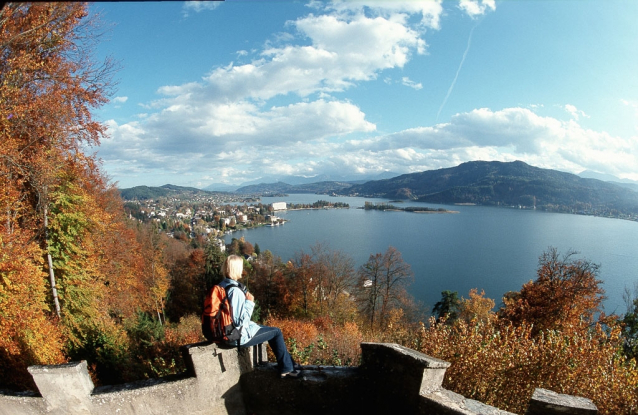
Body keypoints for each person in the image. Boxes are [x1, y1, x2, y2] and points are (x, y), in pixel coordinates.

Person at [218, 254, 301, 379]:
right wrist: (250, 302)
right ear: (236, 269)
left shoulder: (222, 285)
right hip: (237, 337)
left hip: (225, 333)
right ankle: (287, 369)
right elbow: (239, 322)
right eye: (240, 267)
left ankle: (290, 364)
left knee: (266, 329)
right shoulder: (235, 291)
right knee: (276, 332)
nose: (242, 270)